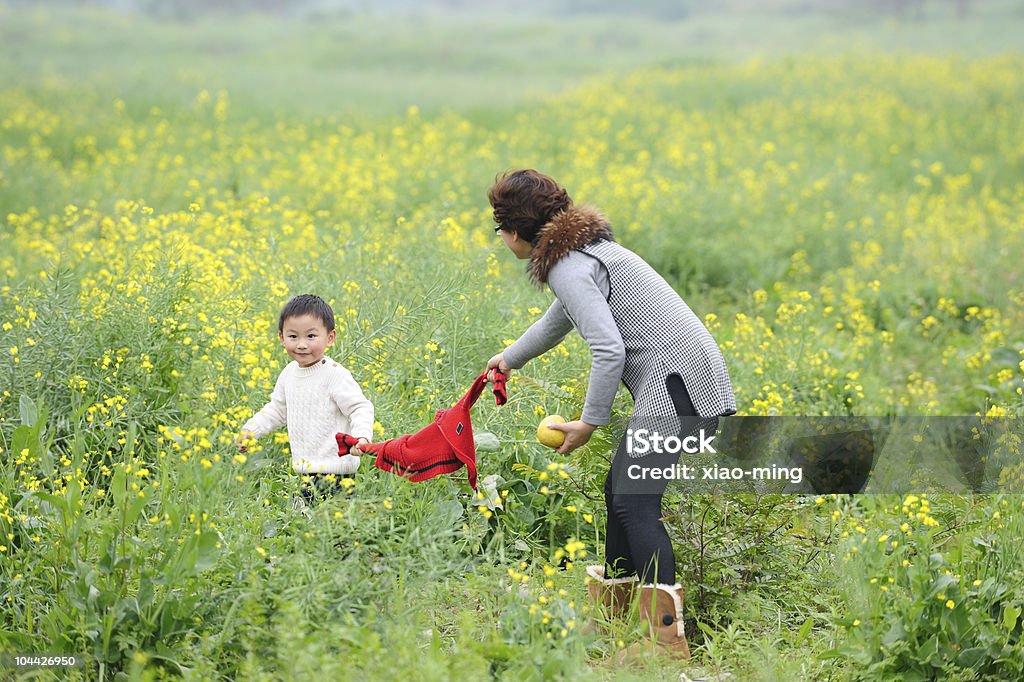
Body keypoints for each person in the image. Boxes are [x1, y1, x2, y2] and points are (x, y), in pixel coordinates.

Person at [485, 169, 736, 657]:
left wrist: (589, 421)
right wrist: (508, 358)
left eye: (499, 228)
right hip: (686, 377)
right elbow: (561, 318)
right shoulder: (583, 254)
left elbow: (608, 349)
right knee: (619, 492)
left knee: (634, 503)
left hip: (677, 385)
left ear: (515, 230)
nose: (500, 238)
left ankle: (665, 641)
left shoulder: (568, 266)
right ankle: (615, 620)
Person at [237, 294, 374, 507]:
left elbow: (359, 407)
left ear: (330, 337)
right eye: (293, 337)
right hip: (303, 471)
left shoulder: (335, 374)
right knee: (302, 527)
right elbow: (276, 410)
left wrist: (361, 437)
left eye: (311, 336)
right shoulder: (288, 374)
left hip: (337, 473)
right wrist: (251, 431)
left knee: (338, 531)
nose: (301, 345)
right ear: (281, 337)